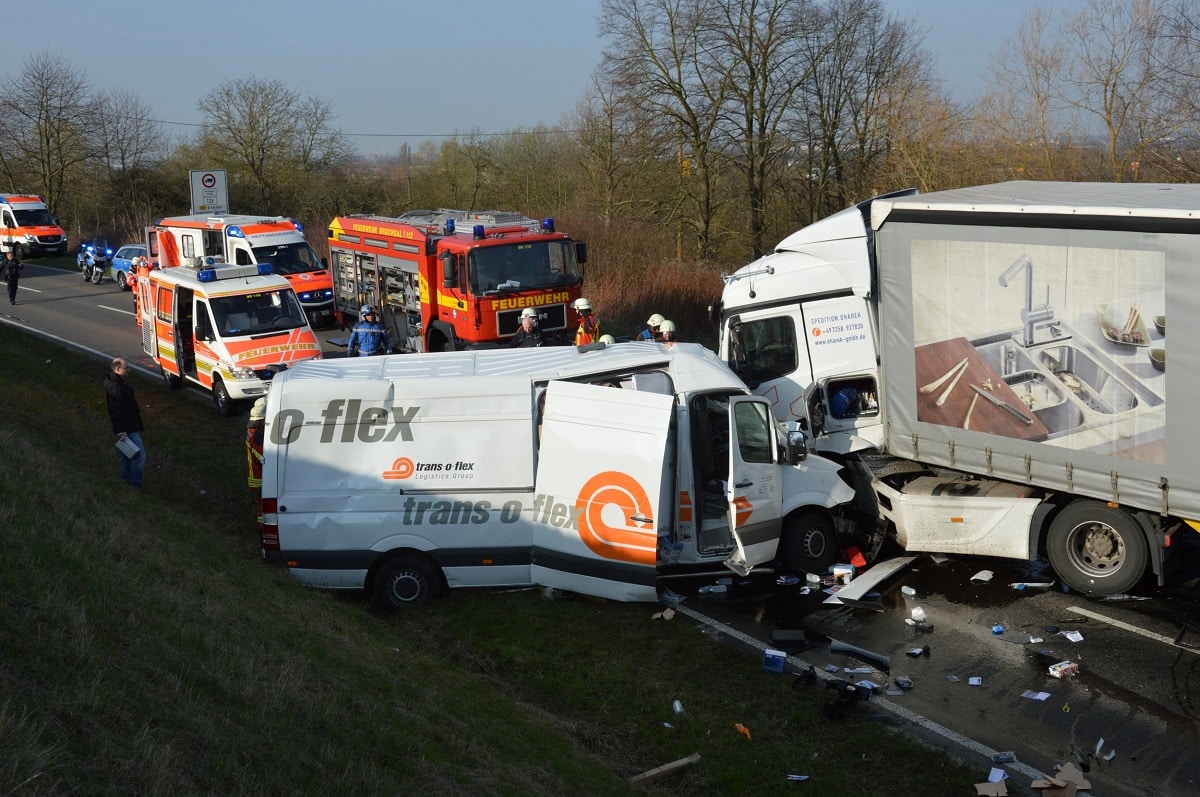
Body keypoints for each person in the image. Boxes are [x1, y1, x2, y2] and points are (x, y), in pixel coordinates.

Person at [104, 357, 146, 491]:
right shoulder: (116, 386)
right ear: (117, 369)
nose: (129, 370)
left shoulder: (116, 383)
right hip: (127, 428)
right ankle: (135, 486)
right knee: (138, 456)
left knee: (127, 456)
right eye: (126, 368)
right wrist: (122, 430)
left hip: (126, 427)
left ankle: (125, 482)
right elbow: (116, 410)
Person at [246, 398, 266, 533]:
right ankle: (261, 526)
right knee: (263, 501)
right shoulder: (257, 435)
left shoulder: (251, 431)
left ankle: (260, 524)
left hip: (254, 472)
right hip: (258, 475)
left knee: (261, 500)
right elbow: (262, 457)